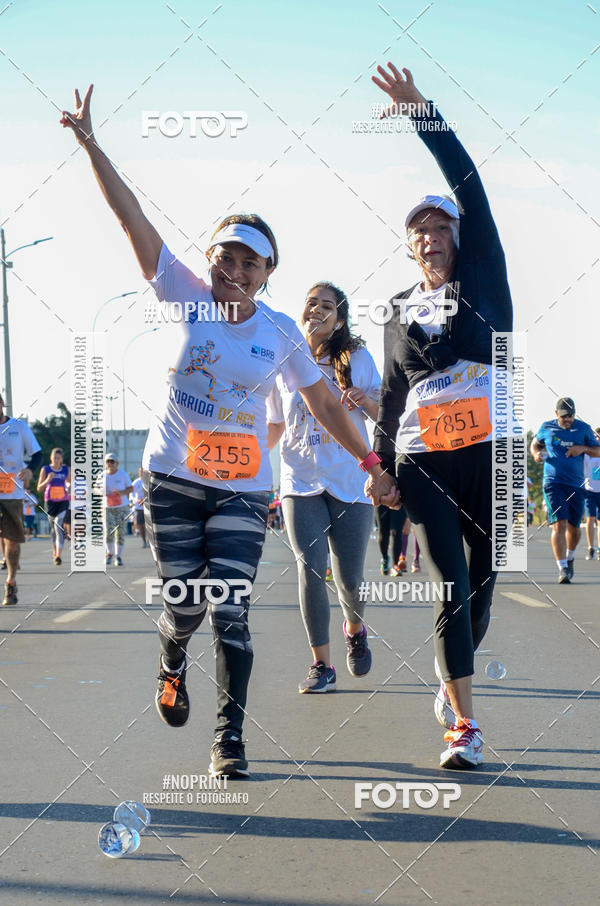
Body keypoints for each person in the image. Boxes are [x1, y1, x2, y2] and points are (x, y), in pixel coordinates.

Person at [60, 85, 394, 778]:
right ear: (209, 261)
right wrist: (93, 145)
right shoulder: (183, 291)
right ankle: (171, 656)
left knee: (233, 611)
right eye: (226, 257)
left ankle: (229, 740)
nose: (234, 270)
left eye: (249, 262)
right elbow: (132, 221)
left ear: (269, 273)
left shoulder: (279, 333)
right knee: (184, 603)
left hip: (244, 487)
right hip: (175, 479)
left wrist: (371, 464)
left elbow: (330, 408)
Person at [370, 64, 513, 769]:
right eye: (417, 230)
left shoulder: (483, 277)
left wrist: (421, 112)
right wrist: (377, 467)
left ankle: (451, 676)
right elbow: (393, 396)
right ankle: (464, 724)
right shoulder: (396, 309)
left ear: (459, 235)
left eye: (439, 225)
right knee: (452, 583)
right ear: (408, 244)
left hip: (492, 454)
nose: (429, 236)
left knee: (485, 587)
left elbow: (468, 183)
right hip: (423, 458)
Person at [267, 281, 381, 693]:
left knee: (349, 578)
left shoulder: (357, 359)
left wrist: (363, 402)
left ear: (340, 319)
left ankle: (355, 628)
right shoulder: (284, 360)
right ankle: (322, 665)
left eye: (326, 306)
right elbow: (276, 422)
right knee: (310, 568)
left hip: (351, 480)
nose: (316, 310)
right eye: (310, 303)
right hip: (300, 480)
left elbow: (387, 412)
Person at [531, 398, 600, 583]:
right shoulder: (546, 427)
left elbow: (598, 451)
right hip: (553, 482)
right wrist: (536, 454)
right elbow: (535, 444)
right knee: (559, 524)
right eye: (564, 416)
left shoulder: (584, 429)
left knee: (574, 528)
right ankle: (562, 568)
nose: (568, 419)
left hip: (576, 485)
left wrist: (582, 448)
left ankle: (570, 558)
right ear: (556, 414)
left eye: (570, 416)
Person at [0, 394, 42, 605]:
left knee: (13, 542)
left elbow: (37, 454)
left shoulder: (19, 427)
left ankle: (11, 581)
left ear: (1, 404)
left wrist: (29, 470)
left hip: (11, 493)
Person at [37, 448, 70, 565]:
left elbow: (70, 484)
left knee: (58, 526)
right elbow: (39, 488)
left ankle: (58, 555)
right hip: (50, 502)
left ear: (62, 459)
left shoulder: (66, 470)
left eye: (58, 458)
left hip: (63, 501)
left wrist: (69, 487)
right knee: (53, 529)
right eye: (54, 458)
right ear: (51, 458)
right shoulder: (45, 469)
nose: (56, 460)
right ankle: (54, 551)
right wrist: (47, 479)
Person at [104, 454, 133, 566]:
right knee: (108, 531)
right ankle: (109, 553)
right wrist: (102, 492)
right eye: (108, 462)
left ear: (117, 463)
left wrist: (120, 493)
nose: (110, 464)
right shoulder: (102, 476)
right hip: (107, 507)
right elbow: (95, 488)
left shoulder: (123, 475)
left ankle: (118, 556)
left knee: (120, 532)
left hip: (122, 507)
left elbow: (131, 488)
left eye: (112, 462)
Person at [375, 504, 406, 575]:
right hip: (382, 501)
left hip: (399, 500)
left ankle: (395, 564)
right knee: (383, 532)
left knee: (397, 532)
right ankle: (385, 558)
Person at [583, 429, 600, 560]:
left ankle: (599, 548)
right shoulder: (588, 454)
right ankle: (590, 547)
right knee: (590, 519)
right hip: (589, 490)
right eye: (596, 437)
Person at [131, 467, 147, 547]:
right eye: (140, 471)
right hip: (139, 507)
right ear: (139, 472)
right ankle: (144, 541)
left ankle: (151, 541)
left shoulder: (148, 481)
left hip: (148, 507)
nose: (142, 472)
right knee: (140, 525)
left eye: (143, 471)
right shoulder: (136, 482)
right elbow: (131, 494)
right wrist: (135, 500)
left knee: (148, 526)